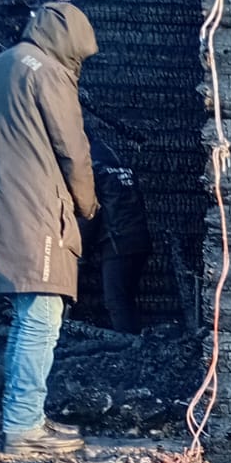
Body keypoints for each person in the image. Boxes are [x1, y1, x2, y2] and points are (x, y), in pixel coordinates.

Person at [0, 1, 100, 457]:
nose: (78, 62)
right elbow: (72, 148)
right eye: (79, 53)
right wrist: (87, 204)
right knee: (41, 318)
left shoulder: (1, 65)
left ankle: (27, 417)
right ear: (68, 41)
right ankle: (23, 426)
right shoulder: (48, 72)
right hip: (35, 207)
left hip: (0, 201)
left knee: (28, 316)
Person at [83, 136, 151, 334]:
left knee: (116, 301)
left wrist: (81, 251)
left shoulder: (93, 167)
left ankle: (128, 345)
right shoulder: (116, 162)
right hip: (138, 238)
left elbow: (90, 213)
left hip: (118, 241)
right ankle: (135, 342)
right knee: (126, 299)